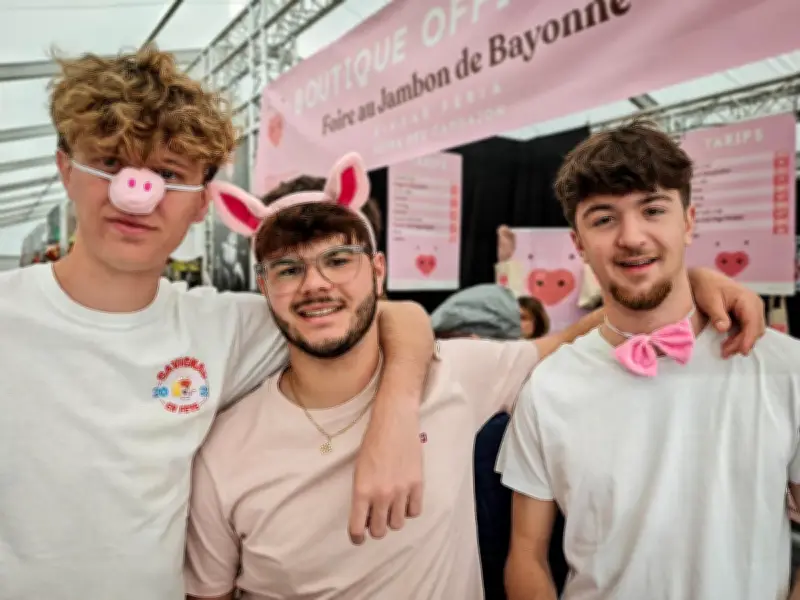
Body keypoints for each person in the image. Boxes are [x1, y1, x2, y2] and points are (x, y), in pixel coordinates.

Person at [186, 151, 766, 600]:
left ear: (378, 271)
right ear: (262, 285)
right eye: (288, 268)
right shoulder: (225, 449)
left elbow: (579, 334)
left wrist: (694, 284)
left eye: (339, 260)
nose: (315, 285)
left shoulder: (457, 373)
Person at [0, 47, 435, 600]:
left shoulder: (225, 327)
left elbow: (397, 316)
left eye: (166, 173)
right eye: (110, 163)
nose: (136, 196)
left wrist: (395, 417)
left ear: (202, 204)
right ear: (66, 168)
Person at [499, 119, 800, 600]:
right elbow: (527, 555)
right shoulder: (549, 385)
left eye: (653, 209)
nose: (632, 237)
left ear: (688, 220)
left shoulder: (785, 367)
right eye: (603, 218)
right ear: (578, 243)